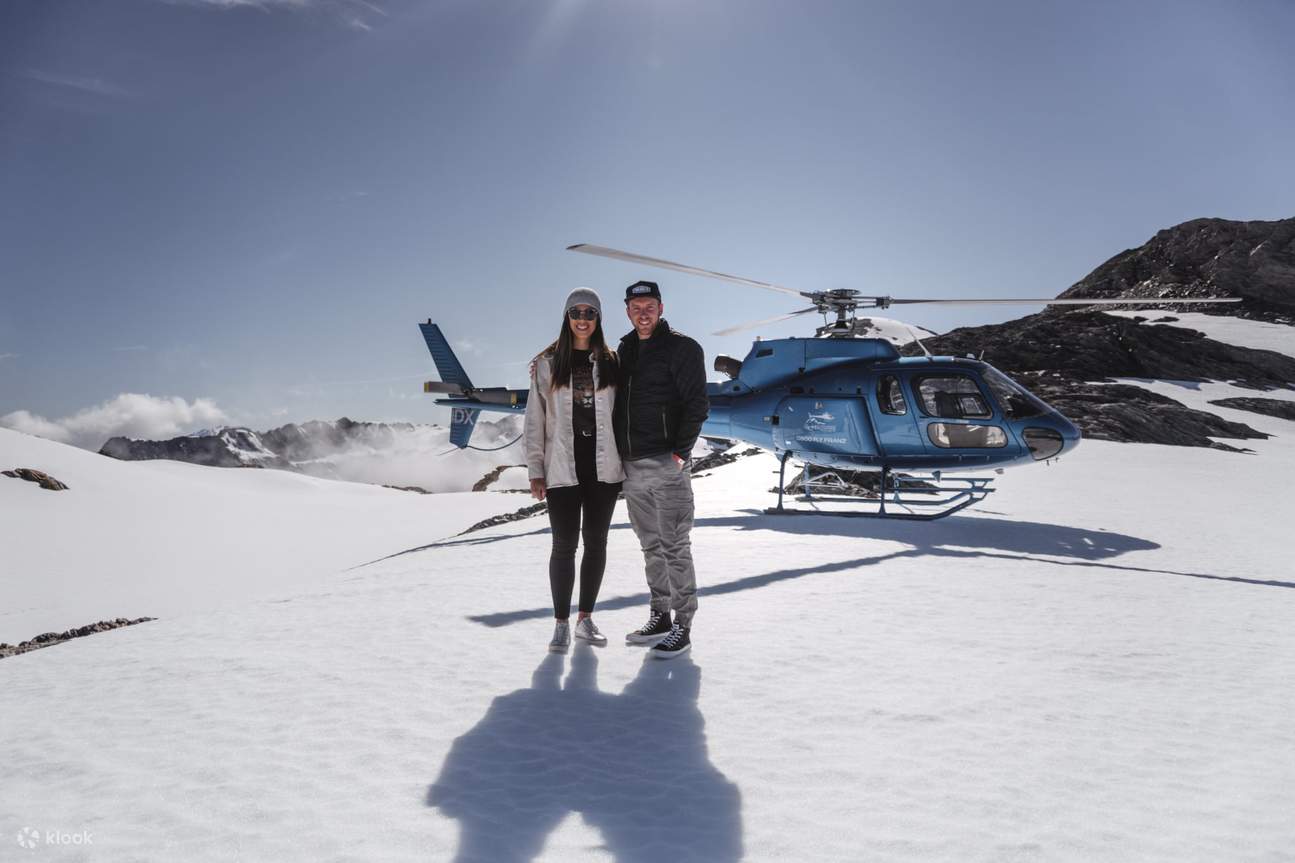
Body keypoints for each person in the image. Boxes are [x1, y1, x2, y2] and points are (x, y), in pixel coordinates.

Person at [524, 288, 625, 653]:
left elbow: (621, 416)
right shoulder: (547, 364)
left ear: (599, 319)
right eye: (575, 312)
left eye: (590, 313)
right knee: (563, 545)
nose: (582, 318)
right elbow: (535, 419)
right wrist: (535, 468)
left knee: (596, 543)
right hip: (561, 467)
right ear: (566, 317)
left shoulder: (612, 362)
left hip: (604, 468)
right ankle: (560, 624)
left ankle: (585, 619)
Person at [615, 280, 709, 659]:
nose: (643, 312)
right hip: (633, 466)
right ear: (627, 310)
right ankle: (660, 615)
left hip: (666, 463)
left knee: (674, 546)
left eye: (649, 305)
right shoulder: (624, 349)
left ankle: (683, 625)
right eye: (636, 306)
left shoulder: (683, 347)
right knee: (650, 545)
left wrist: (680, 454)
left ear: (661, 307)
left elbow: (696, 404)